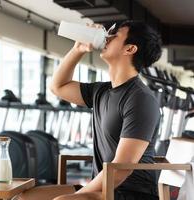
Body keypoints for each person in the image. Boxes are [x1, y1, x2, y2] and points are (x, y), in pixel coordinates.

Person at [17, 20, 162, 200]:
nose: (107, 37)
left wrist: (77, 195)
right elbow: (58, 86)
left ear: (130, 49)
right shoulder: (101, 90)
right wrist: (78, 49)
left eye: (114, 35)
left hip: (129, 193)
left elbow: (120, 170)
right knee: (23, 197)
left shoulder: (141, 99)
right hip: (100, 188)